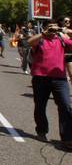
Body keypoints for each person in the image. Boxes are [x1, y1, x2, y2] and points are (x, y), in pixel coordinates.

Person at [27, 19, 72, 148]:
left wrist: (65, 31)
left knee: (65, 105)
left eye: (55, 28)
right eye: (51, 28)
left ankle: (68, 137)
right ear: (45, 28)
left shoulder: (62, 39)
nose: (53, 31)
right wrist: (43, 33)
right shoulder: (40, 39)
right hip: (40, 77)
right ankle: (41, 131)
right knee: (40, 106)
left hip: (60, 79)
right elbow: (30, 42)